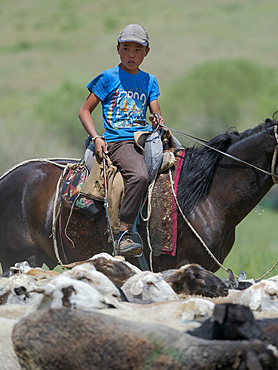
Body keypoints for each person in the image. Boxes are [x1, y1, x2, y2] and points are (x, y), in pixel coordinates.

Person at [79, 24, 164, 257]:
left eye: (138, 50)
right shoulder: (108, 77)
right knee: (139, 175)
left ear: (146, 52)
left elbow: (155, 113)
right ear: (118, 49)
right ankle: (123, 233)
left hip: (145, 139)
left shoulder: (150, 81)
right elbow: (84, 111)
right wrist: (96, 137)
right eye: (126, 49)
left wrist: (156, 119)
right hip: (120, 142)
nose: (131, 55)